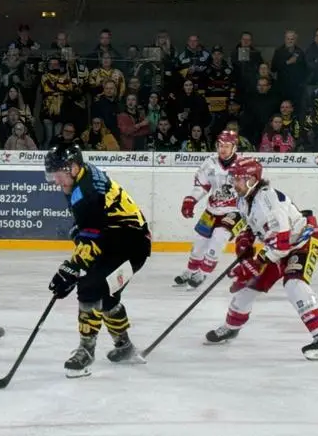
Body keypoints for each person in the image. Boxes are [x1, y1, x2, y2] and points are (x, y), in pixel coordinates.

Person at [204, 159, 318, 360]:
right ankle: (231, 328)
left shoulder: (268, 201)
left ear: (252, 179)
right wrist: (245, 241)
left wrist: (254, 263)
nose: (234, 183)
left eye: (238, 179)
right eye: (233, 178)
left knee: (294, 284)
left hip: (302, 244)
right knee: (249, 287)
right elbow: (253, 226)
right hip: (278, 248)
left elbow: (282, 244)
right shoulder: (244, 199)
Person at [45, 143, 152, 378]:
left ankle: (86, 351)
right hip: (115, 239)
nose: (56, 181)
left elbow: (91, 236)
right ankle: (125, 347)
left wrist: (70, 269)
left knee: (90, 287)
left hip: (132, 245)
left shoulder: (87, 191)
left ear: (73, 167)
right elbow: (91, 228)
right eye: (53, 175)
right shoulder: (81, 179)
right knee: (107, 295)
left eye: (59, 174)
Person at [174, 129, 243, 289]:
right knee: (199, 242)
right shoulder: (210, 163)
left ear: (234, 147)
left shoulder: (243, 165)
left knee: (219, 237)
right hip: (212, 210)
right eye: (220, 145)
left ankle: (203, 273)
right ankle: (190, 271)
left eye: (227, 146)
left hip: (235, 211)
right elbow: (201, 186)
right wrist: (191, 200)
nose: (223, 149)